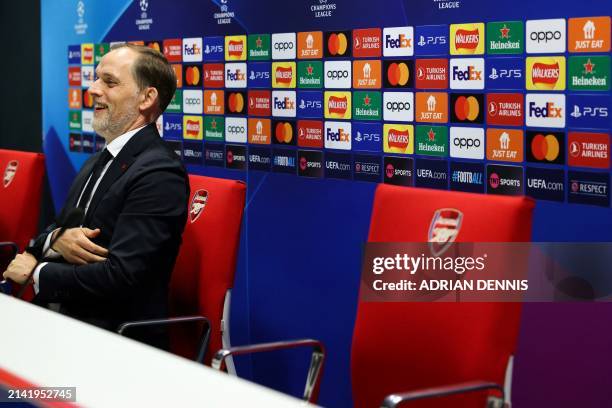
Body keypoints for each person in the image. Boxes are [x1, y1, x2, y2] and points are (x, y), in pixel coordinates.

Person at [2, 44, 189, 348]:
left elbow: (123, 276)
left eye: (109, 82)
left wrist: (38, 272)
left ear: (147, 98)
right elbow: (55, 229)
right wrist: (55, 240)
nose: (92, 89)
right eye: (96, 79)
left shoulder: (159, 172)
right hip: (63, 322)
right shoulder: (99, 160)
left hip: (112, 339)